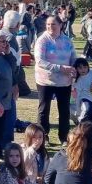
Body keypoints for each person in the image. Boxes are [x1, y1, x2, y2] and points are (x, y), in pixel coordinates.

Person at [33, 13, 76, 146]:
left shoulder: (67, 40)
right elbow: (40, 61)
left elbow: (73, 57)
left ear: (61, 25)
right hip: (45, 80)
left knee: (64, 110)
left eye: (53, 24)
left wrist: (74, 68)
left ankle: (64, 137)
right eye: (48, 24)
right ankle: (43, 136)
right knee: (44, 109)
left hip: (64, 82)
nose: (50, 27)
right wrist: (60, 68)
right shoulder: (42, 40)